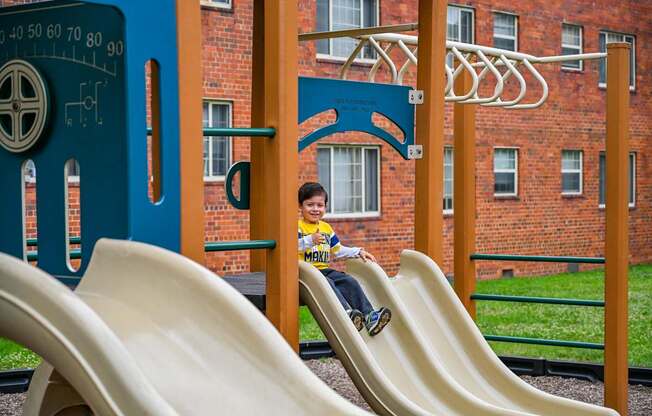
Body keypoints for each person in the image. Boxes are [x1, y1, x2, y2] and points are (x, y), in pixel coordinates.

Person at [298, 182, 392, 336]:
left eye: (320, 205)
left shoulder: (326, 228)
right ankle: (347, 314)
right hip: (305, 274)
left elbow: (338, 250)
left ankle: (369, 316)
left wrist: (358, 251)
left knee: (348, 281)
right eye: (310, 205)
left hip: (323, 270)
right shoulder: (298, 227)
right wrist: (309, 240)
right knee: (326, 284)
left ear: (325, 207)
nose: (315, 209)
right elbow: (290, 247)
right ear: (300, 207)